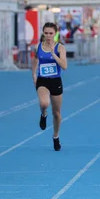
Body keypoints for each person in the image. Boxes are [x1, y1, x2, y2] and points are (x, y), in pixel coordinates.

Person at [31, 22, 67, 151]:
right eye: (46, 33)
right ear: (43, 33)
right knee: (44, 103)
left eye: (51, 33)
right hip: (43, 81)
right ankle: (43, 114)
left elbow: (64, 66)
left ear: (55, 33)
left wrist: (53, 53)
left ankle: (56, 136)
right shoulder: (38, 46)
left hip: (56, 81)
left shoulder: (60, 47)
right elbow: (35, 60)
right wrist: (34, 74)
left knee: (57, 114)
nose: (48, 36)